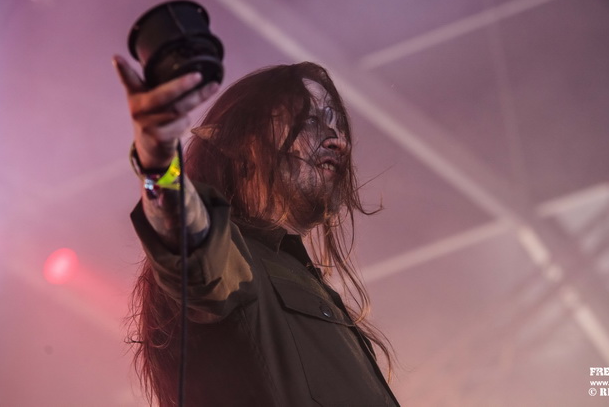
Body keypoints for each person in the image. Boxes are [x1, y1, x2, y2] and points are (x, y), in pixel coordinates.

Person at [114, 57, 400, 407]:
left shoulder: (302, 279)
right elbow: (192, 244)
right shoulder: (230, 260)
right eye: (310, 120)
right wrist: (160, 163)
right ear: (239, 142)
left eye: (334, 122)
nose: (338, 140)